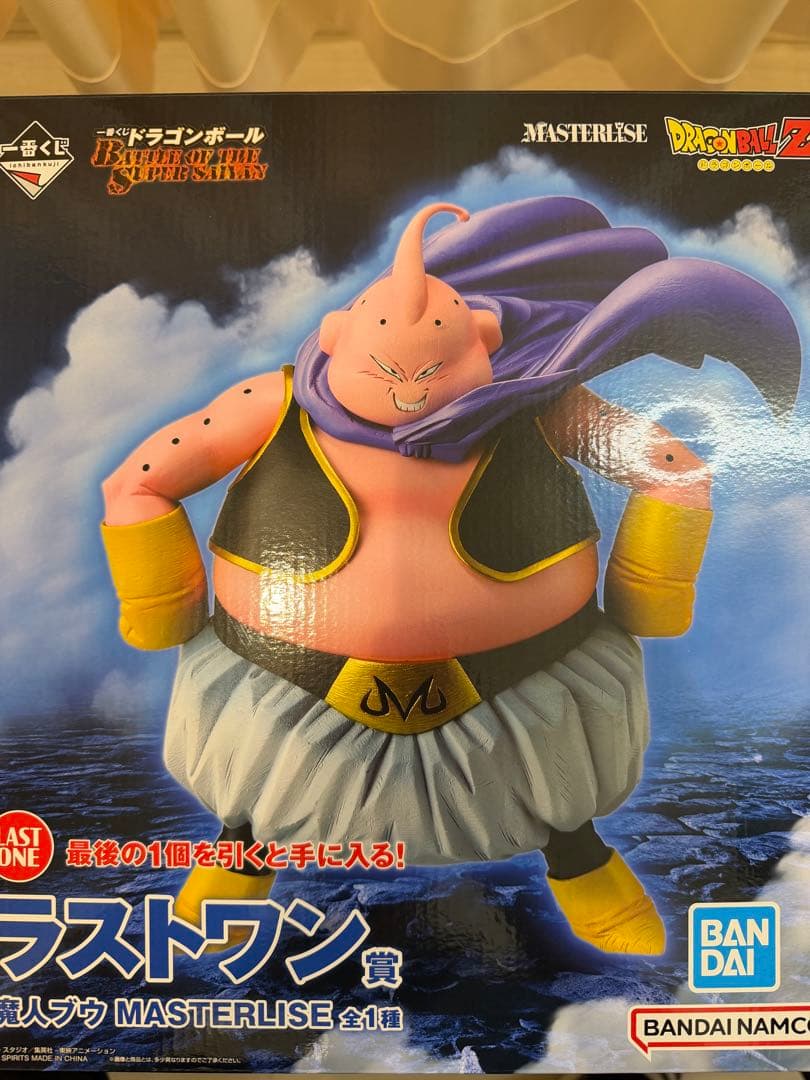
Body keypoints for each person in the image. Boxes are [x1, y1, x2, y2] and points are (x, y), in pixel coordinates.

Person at [100, 197, 800, 955]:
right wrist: (160, 602)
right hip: (282, 676)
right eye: (387, 371)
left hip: (526, 675)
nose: (408, 394)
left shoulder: (536, 402)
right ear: (335, 337)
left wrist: (652, 594)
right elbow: (139, 481)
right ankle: (241, 853)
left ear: (486, 340)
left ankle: (577, 857)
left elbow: (670, 467)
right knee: (259, 793)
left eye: (431, 370)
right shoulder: (270, 404)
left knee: (556, 791)